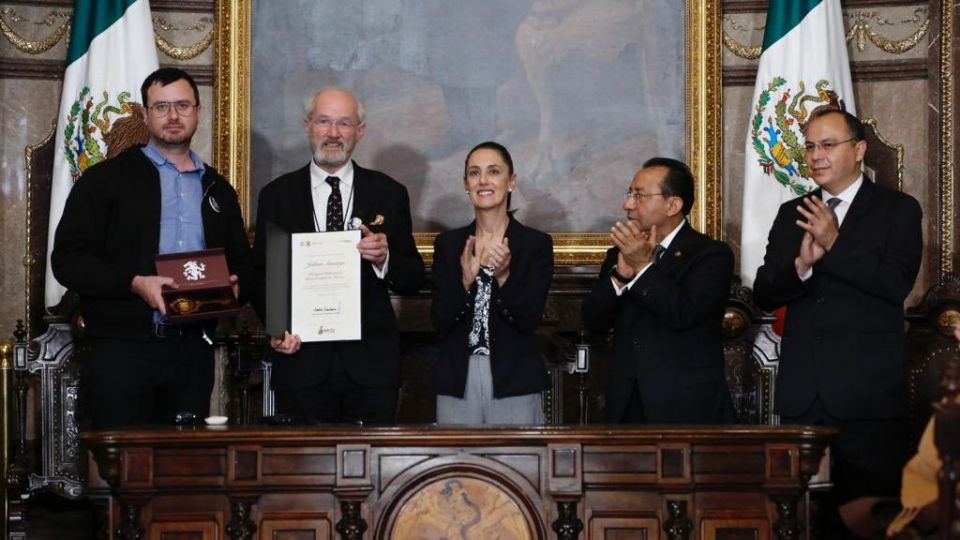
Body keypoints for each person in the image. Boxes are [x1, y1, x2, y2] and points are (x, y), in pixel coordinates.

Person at [753, 105, 923, 534]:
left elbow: (894, 284)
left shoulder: (897, 209)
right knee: (802, 522)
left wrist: (836, 243)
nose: (815, 156)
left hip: (866, 401)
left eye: (828, 145)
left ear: (859, 149)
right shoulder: (794, 211)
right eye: (809, 146)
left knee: (869, 521)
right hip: (803, 399)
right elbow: (765, 292)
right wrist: (801, 266)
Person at [51, 67, 251, 429]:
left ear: (198, 111)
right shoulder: (104, 181)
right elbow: (68, 260)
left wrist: (236, 287)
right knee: (123, 472)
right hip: (121, 349)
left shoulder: (219, 190)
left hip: (192, 351)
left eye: (182, 105)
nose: (173, 116)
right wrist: (133, 282)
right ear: (145, 114)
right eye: (161, 107)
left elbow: (242, 264)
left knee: (182, 470)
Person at [252, 87, 425, 424]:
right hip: (300, 360)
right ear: (307, 125)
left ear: (360, 131)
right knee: (302, 471)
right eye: (324, 122)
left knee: (370, 473)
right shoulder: (277, 196)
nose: (333, 133)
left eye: (344, 123)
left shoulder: (388, 193)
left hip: (371, 367)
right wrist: (277, 329)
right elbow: (261, 274)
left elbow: (413, 277)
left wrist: (383, 259)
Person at [581, 157, 735, 424]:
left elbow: (683, 313)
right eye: (629, 194)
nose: (627, 204)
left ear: (673, 205)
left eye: (639, 195)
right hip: (627, 404)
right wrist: (619, 277)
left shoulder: (711, 255)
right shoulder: (619, 255)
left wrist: (642, 268)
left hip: (686, 407)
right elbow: (592, 319)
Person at [431, 142, 553, 424]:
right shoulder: (448, 245)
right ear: (466, 184)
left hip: (514, 379)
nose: (483, 180)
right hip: (457, 381)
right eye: (474, 173)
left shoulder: (535, 244)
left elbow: (529, 320)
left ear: (511, 181)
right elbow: (439, 321)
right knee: (458, 467)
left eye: (493, 172)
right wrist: (465, 282)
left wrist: (502, 277)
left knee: (517, 466)